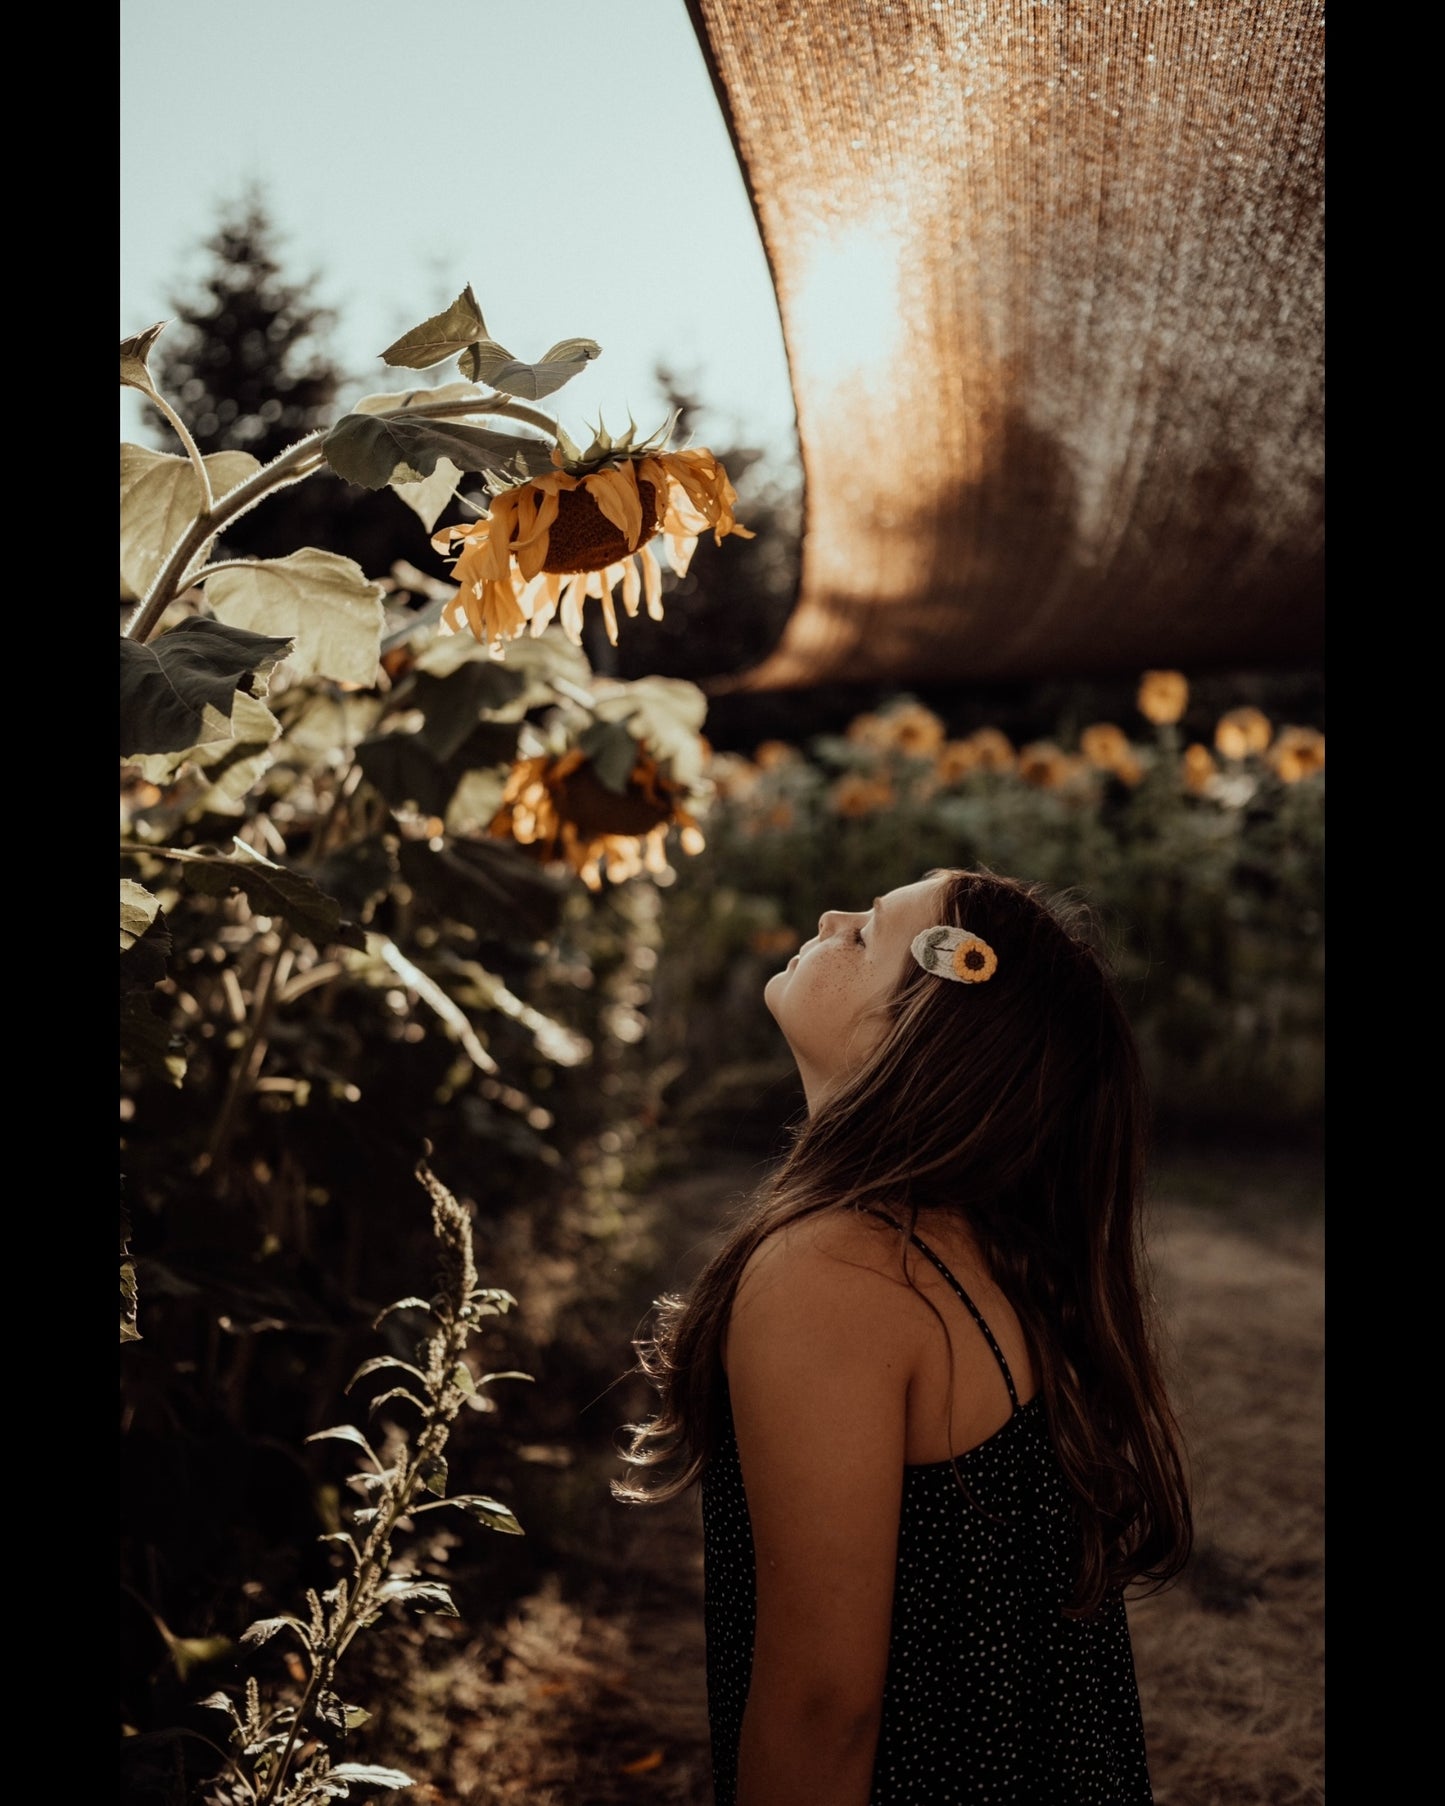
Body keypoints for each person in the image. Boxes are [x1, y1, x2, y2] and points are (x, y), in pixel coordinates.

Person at [617, 866, 1193, 1806]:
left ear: (918, 1032)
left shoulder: (834, 1274)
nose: (829, 915)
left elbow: (822, 1705)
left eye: (866, 933)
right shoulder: (981, 1251)